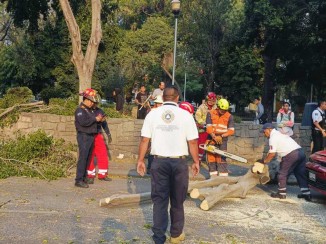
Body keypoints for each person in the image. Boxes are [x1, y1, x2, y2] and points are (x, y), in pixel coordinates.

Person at [136, 86, 199, 244]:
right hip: (179, 163)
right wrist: (196, 161)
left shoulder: (152, 114)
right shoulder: (186, 115)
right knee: (178, 200)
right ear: (177, 98)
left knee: (160, 201)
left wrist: (140, 160)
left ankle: (158, 238)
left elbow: (145, 140)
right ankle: (176, 235)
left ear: (163, 98)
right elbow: (192, 141)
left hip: (159, 162)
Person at [260, 123, 311, 201]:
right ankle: (306, 194)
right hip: (300, 152)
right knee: (300, 173)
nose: (264, 134)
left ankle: (281, 193)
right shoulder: (279, 134)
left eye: (264, 131)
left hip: (291, 154)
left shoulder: (273, 137)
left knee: (282, 174)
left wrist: (263, 161)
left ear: (269, 129)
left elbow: (272, 154)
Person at [74, 88, 103, 188]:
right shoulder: (80, 110)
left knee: (88, 158)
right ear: (86, 99)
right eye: (91, 101)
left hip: (90, 136)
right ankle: (78, 180)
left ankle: (84, 177)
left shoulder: (89, 110)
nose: (92, 103)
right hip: (84, 136)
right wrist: (95, 119)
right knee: (83, 158)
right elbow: (83, 122)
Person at [205, 98, 235, 177]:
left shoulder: (229, 116)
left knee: (221, 158)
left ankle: (223, 177)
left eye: (225, 110)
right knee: (211, 158)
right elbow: (208, 127)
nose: (223, 112)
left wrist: (221, 136)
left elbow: (231, 130)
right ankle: (213, 177)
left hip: (223, 139)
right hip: (211, 137)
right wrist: (214, 137)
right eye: (222, 110)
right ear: (218, 107)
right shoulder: (210, 113)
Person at [86, 99, 113, 184]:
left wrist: (108, 134)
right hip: (89, 134)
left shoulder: (100, 111)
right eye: (93, 102)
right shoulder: (86, 111)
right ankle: (90, 175)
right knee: (90, 155)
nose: (95, 104)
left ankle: (102, 174)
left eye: (96, 102)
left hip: (98, 135)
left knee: (102, 154)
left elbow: (104, 123)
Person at [195, 92, 217, 162]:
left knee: (211, 145)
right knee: (201, 145)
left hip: (213, 130)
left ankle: (211, 160)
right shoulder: (202, 107)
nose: (211, 102)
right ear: (207, 100)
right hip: (203, 129)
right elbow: (197, 117)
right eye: (210, 100)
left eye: (213, 101)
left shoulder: (216, 107)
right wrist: (204, 124)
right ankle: (198, 161)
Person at [146, 95, 164, 173]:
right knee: (152, 151)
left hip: (160, 133)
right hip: (153, 133)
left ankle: (156, 168)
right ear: (156, 103)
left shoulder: (163, 111)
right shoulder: (152, 111)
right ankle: (150, 168)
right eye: (158, 103)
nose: (160, 105)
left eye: (161, 103)